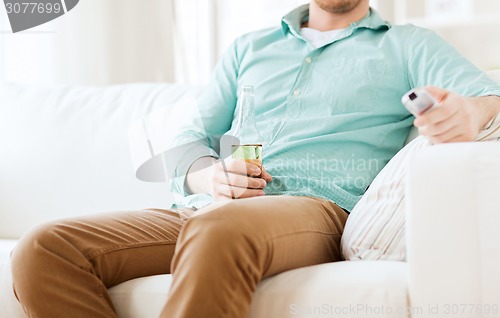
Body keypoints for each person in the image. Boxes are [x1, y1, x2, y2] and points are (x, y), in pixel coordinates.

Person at [11, 0, 500, 317]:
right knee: (43, 249)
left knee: (219, 231)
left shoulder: (406, 44)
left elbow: (488, 98)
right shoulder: (250, 48)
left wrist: (468, 113)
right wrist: (210, 176)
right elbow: (187, 139)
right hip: (209, 209)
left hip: (317, 210)